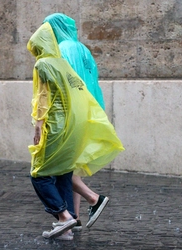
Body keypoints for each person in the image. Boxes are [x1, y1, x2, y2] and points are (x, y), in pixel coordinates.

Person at [27, 22, 124, 240]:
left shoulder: (43, 64)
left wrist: (39, 122)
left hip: (56, 124)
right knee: (64, 171)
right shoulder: (63, 64)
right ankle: (68, 227)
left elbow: (42, 96)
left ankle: (63, 217)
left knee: (39, 174)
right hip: (74, 123)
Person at [43, 13, 109, 230]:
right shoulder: (82, 48)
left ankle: (93, 198)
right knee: (72, 167)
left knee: (52, 167)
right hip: (87, 111)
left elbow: (64, 84)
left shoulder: (62, 50)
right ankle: (74, 217)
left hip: (70, 114)